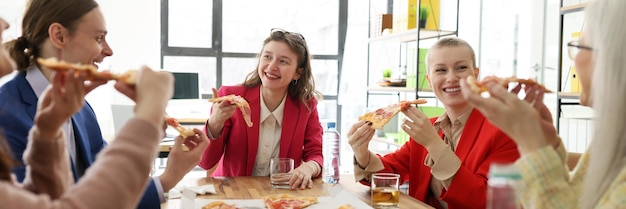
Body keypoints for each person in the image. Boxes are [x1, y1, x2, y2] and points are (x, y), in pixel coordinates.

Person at [0, 1, 205, 208]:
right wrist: (146, 121)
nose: (108, 51)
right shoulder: (5, 114)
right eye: (98, 38)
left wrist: (170, 174)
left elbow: (109, 188)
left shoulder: (81, 109)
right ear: (59, 36)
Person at [459, 0, 626, 208]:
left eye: (580, 45)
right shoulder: (613, 140)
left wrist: (532, 144)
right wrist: (547, 146)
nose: (574, 60)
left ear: (614, 58)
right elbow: (577, 202)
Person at [347, 37, 520, 209]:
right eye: (441, 70)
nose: (451, 78)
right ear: (429, 80)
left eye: (461, 68)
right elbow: (389, 174)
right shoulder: (429, 128)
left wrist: (433, 144)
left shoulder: (504, 131)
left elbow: (488, 202)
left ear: (475, 75)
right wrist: (361, 152)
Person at [198, 28, 323, 190]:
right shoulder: (230, 97)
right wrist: (215, 122)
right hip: (233, 193)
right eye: (267, 57)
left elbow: (316, 153)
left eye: (283, 61)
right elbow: (205, 162)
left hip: (283, 193)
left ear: (297, 73)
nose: (272, 66)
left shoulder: (306, 105)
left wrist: (308, 167)